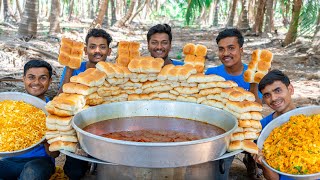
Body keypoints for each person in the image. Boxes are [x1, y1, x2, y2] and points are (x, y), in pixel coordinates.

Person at [205, 28, 263, 179]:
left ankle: (252, 160)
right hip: (221, 128)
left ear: (241, 50)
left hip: (247, 128)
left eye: (231, 48)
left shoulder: (254, 74)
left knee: (263, 144)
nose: (226, 53)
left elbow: (257, 109)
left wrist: (253, 84)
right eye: (221, 49)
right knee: (219, 169)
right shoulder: (212, 74)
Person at [59, 28, 113, 179]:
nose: (97, 51)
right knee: (73, 172)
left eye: (102, 47)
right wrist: (70, 68)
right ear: (85, 49)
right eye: (92, 46)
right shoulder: (75, 69)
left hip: (106, 128)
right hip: (79, 129)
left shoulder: (114, 72)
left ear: (109, 51)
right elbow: (61, 97)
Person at [0, 59, 59, 179]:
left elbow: (55, 154)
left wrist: (46, 140)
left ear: (50, 81)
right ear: (23, 79)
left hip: (40, 162)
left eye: (43, 78)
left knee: (31, 174)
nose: (36, 82)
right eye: (31, 77)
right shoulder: (10, 106)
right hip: (9, 161)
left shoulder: (53, 112)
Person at [253, 69, 296, 180]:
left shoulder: (312, 117)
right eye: (267, 95)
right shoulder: (262, 128)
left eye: (277, 91)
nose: (273, 98)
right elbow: (273, 178)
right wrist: (263, 163)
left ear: (290, 89)